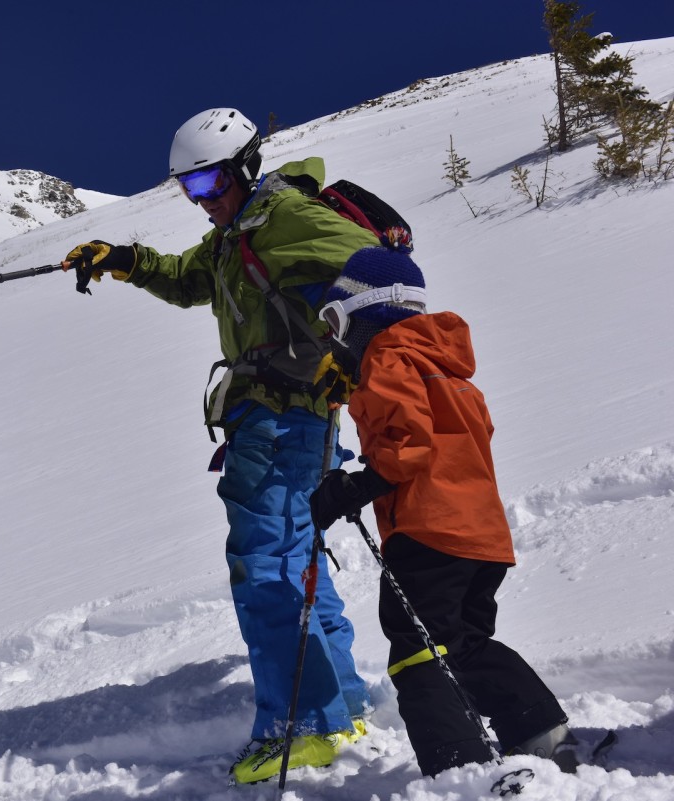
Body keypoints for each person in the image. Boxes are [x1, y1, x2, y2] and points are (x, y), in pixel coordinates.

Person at [61, 108, 378, 784]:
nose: (199, 201)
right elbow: (185, 279)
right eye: (186, 189)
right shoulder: (238, 235)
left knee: (263, 561)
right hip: (280, 415)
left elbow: (379, 270)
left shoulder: (285, 218)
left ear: (242, 168)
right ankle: (342, 704)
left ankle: (304, 724)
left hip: (286, 414)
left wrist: (352, 349)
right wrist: (121, 258)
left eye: (206, 184)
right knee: (295, 554)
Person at [308, 233, 578, 777]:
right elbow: (449, 437)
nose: (340, 341)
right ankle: (539, 730)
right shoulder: (448, 370)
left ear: (367, 310)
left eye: (337, 324)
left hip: (430, 531)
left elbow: (408, 442)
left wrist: (352, 487)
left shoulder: (387, 355)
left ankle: (459, 769)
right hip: (483, 538)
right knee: (465, 642)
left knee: (418, 648)